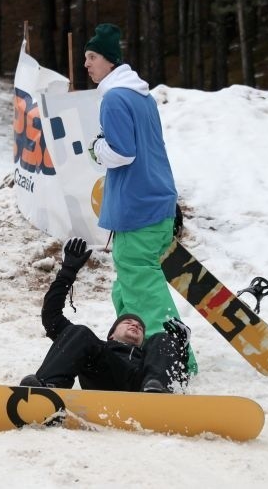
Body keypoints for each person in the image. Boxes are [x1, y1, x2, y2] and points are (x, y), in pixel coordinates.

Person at [85, 23, 197, 375]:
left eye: (91, 57)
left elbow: (121, 152)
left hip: (138, 205)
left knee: (142, 284)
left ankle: (177, 362)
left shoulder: (115, 98)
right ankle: (134, 351)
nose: (86, 64)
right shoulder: (142, 97)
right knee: (127, 283)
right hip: (155, 198)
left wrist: (95, 149)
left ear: (109, 61)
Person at [20, 238, 191, 393]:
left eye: (140, 327)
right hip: (103, 377)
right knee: (80, 332)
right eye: (128, 322)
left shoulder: (149, 357)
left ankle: (158, 395)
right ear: (111, 335)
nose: (135, 325)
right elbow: (51, 318)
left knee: (162, 338)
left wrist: (181, 346)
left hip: (143, 386)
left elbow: (182, 379)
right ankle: (46, 391)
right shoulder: (95, 347)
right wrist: (67, 273)